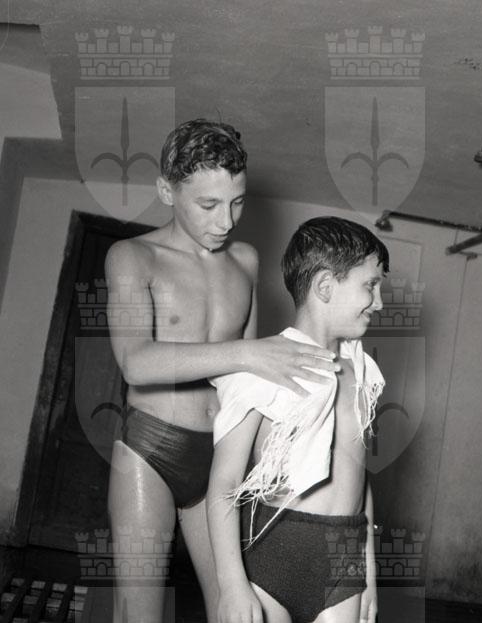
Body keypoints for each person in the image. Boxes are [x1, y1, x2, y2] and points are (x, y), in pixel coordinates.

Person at [105, 119, 339, 623]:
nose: (226, 221)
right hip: (151, 448)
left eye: (237, 202)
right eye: (208, 205)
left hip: (218, 457)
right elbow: (135, 362)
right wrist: (249, 353)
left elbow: (245, 380)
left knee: (236, 611)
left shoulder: (246, 261)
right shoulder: (132, 257)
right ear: (166, 191)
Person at [208, 216, 389, 623]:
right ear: (325, 286)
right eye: (370, 285)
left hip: (342, 560)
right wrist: (232, 585)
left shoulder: (361, 370)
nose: (378, 302)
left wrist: (368, 574)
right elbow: (224, 482)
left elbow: (359, 476)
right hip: (273, 553)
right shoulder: (262, 366)